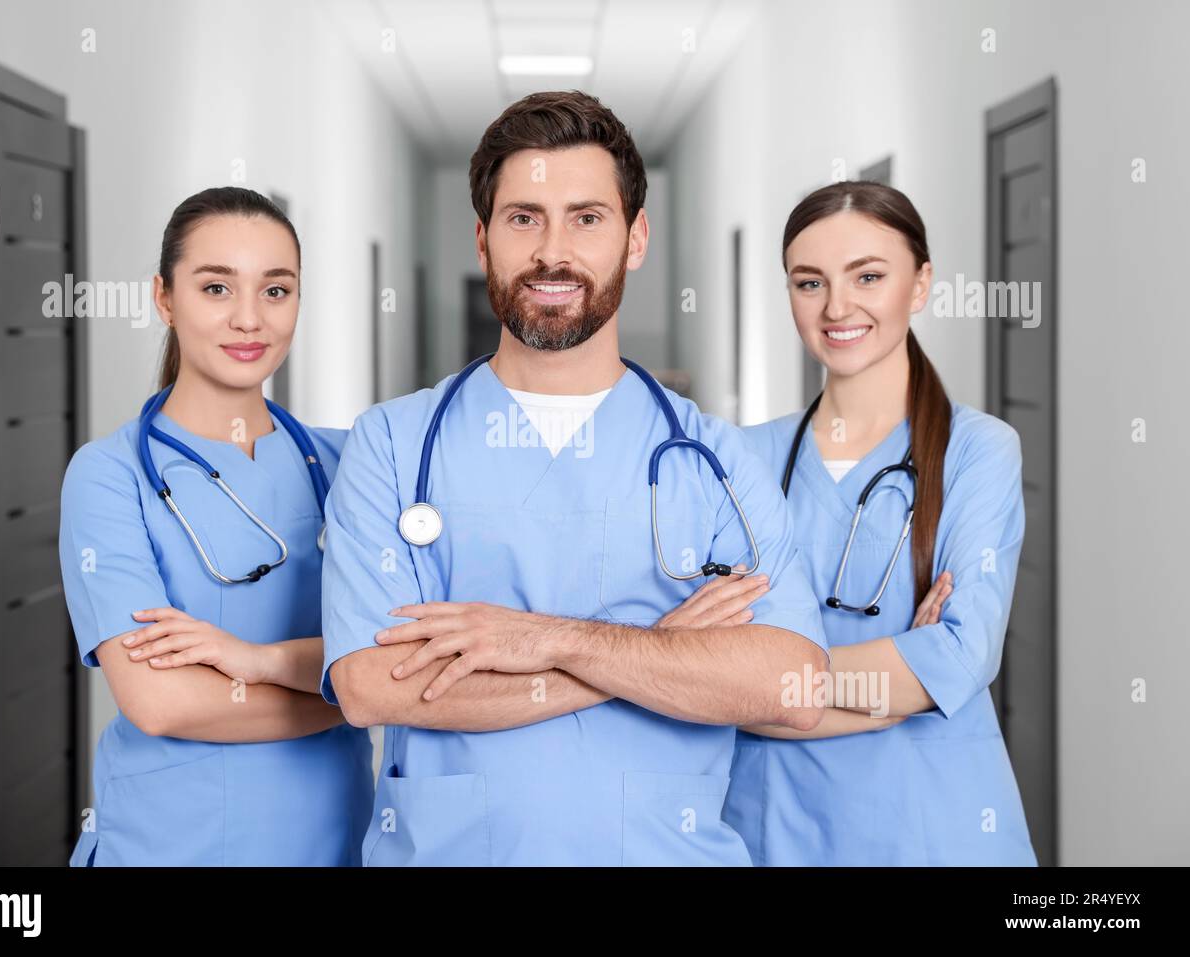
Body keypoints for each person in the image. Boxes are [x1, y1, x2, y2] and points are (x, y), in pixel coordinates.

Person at [319, 91, 830, 867]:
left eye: (587, 218)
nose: (552, 252)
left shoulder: (717, 459)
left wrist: (537, 639)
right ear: (483, 239)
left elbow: (791, 685)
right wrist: (657, 652)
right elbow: (369, 685)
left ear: (635, 238)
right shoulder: (392, 444)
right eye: (525, 218)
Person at [723, 181, 1037, 865]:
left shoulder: (978, 450)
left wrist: (766, 682)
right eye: (810, 282)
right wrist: (896, 686)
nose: (837, 307)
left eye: (868, 275)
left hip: (932, 826)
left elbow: (961, 656)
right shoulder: (743, 458)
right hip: (774, 826)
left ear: (921, 284)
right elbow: (698, 677)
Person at [59, 187, 372, 866]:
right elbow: (160, 701)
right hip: (169, 841)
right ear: (164, 298)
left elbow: (405, 651)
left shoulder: (351, 461)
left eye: (277, 290)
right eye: (216, 287)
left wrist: (253, 662)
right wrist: (355, 695)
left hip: (331, 840)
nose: (249, 319)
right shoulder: (110, 475)